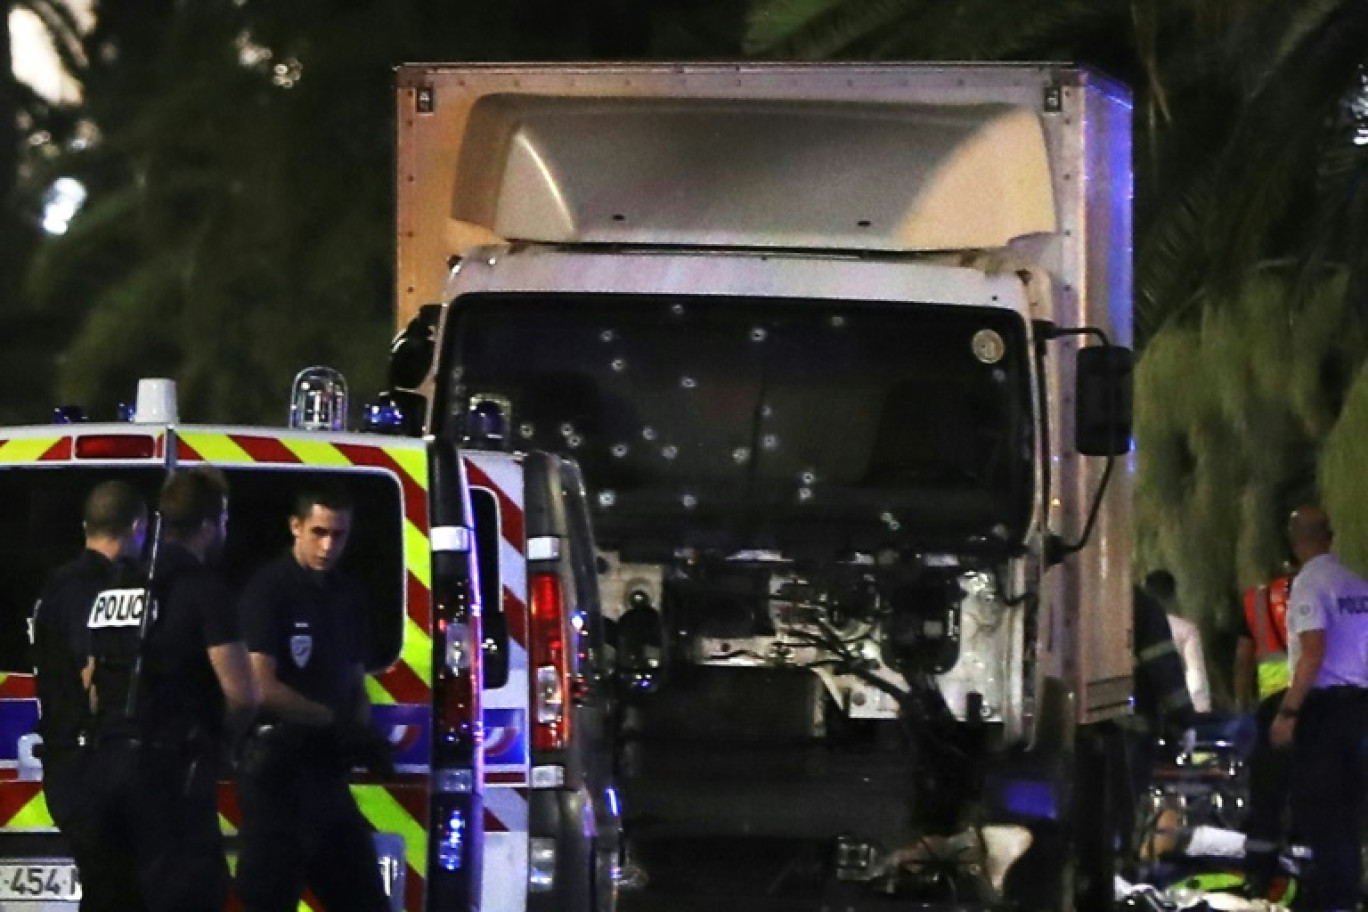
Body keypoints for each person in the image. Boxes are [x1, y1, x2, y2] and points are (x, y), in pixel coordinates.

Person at [84, 466, 257, 912]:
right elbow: (242, 695)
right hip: (168, 775)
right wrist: (223, 744)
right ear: (211, 523)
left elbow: (90, 682)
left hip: (106, 769)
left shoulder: (117, 586)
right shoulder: (205, 590)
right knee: (190, 895)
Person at [235, 485, 390, 912]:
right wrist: (330, 718)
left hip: (325, 776)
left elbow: (355, 680)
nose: (328, 545)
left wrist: (361, 729)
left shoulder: (347, 594)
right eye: (319, 531)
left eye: (338, 535)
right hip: (277, 779)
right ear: (296, 526)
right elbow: (261, 685)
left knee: (365, 901)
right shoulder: (270, 590)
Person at [30, 479, 148, 910]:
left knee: (107, 893)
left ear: (86, 526)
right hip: (92, 764)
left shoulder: (57, 586)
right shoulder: (98, 590)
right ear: (138, 528)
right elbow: (91, 672)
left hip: (69, 765)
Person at [1270, 505, 1368, 912]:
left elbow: (1313, 651)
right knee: (1350, 813)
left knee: (1322, 813)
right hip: (1361, 708)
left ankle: (1333, 900)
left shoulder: (1309, 587)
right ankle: (1350, 893)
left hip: (1325, 712)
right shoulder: (1356, 586)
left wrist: (1288, 713)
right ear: (1330, 537)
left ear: (1294, 543)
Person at [1234, 569, 1296, 897]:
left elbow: (1244, 658)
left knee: (1266, 799)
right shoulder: (1332, 594)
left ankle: (1260, 879)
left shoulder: (1256, 601)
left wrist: (1242, 707)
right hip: (1320, 707)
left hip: (1270, 709)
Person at [1143, 570, 1212, 714]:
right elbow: (1196, 675)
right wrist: (1201, 711)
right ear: (1172, 596)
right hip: (1177, 708)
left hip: (1148, 710)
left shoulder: (1135, 629)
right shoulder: (1186, 630)